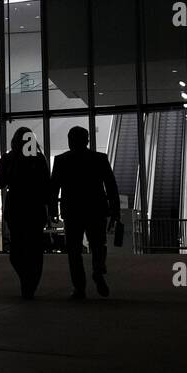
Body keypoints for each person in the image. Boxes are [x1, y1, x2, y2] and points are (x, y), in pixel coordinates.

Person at [50, 126, 120, 299]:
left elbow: (53, 188)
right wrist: (115, 210)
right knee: (98, 244)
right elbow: (111, 187)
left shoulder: (61, 160)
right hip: (96, 209)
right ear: (87, 140)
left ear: (69, 140)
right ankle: (98, 270)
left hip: (72, 211)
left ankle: (79, 288)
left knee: (74, 251)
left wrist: (52, 211)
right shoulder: (99, 159)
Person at [0, 127, 52, 299]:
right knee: (34, 249)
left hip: (16, 208)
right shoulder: (39, 159)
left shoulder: (8, 158)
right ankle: (30, 284)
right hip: (34, 209)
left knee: (17, 250)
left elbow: (0, 183)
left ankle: (26, 281)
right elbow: (46, 186)